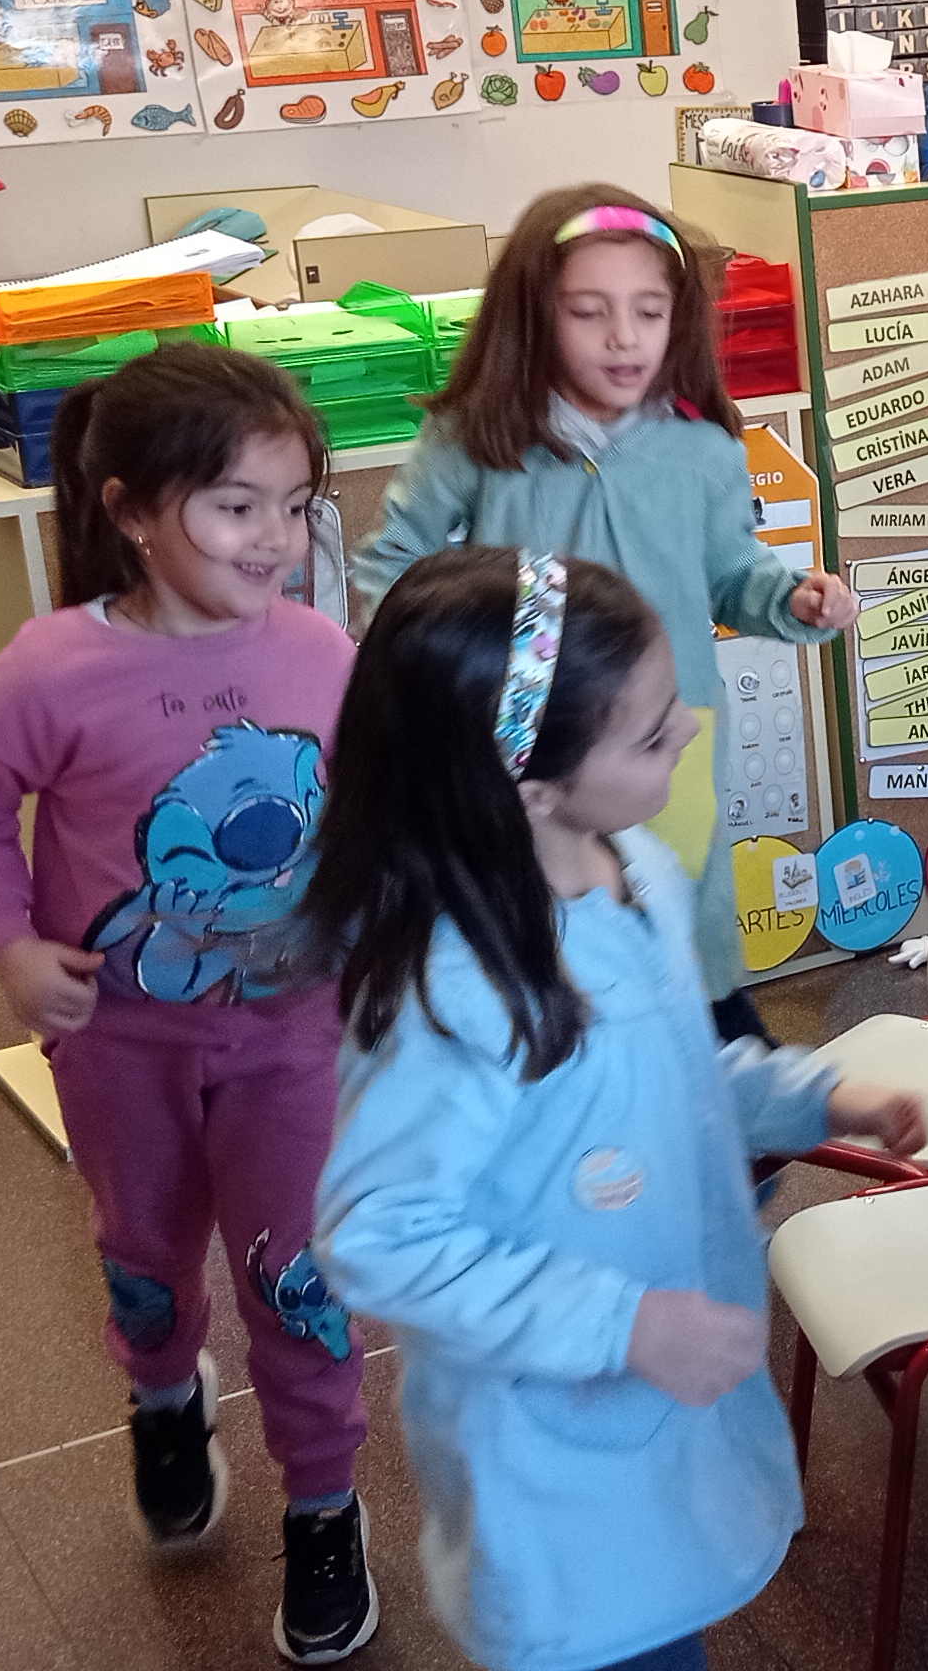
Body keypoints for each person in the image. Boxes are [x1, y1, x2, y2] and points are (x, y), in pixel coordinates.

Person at [301, 550, 925, 1671]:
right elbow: (378, 1235)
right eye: (649, 733)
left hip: (643, 1416)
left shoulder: (632, 867)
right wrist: (622, 1322)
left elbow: (676, 1071)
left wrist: (812, 1094)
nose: (688, 732)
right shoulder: (459, 982)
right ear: (528, 785)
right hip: (554, 1442)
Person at [0, 342, 377, 1666]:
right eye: (236, 506)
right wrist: (6, 945)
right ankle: (166, 1394)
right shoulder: (53, 668)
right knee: (146, 1245)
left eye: (294, 506)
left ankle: (323, 1503)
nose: (273, 538)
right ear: (129, 511)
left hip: (291, 1038)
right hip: (119, 1043)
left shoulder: (321, 652)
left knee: (293, 1269)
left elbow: (373, 802)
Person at [350, 185, 862, 1039]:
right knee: (547, 945)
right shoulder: (477, 436)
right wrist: (424, 682)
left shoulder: (703, 447)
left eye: (649, 312)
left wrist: (790, 599)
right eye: (589, 312)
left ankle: (720, 1088)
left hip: (666, 738)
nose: (624, 337)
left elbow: (733, 575)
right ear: (533, 317)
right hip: (526, 746)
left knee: (680, 949)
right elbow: (392, 563)